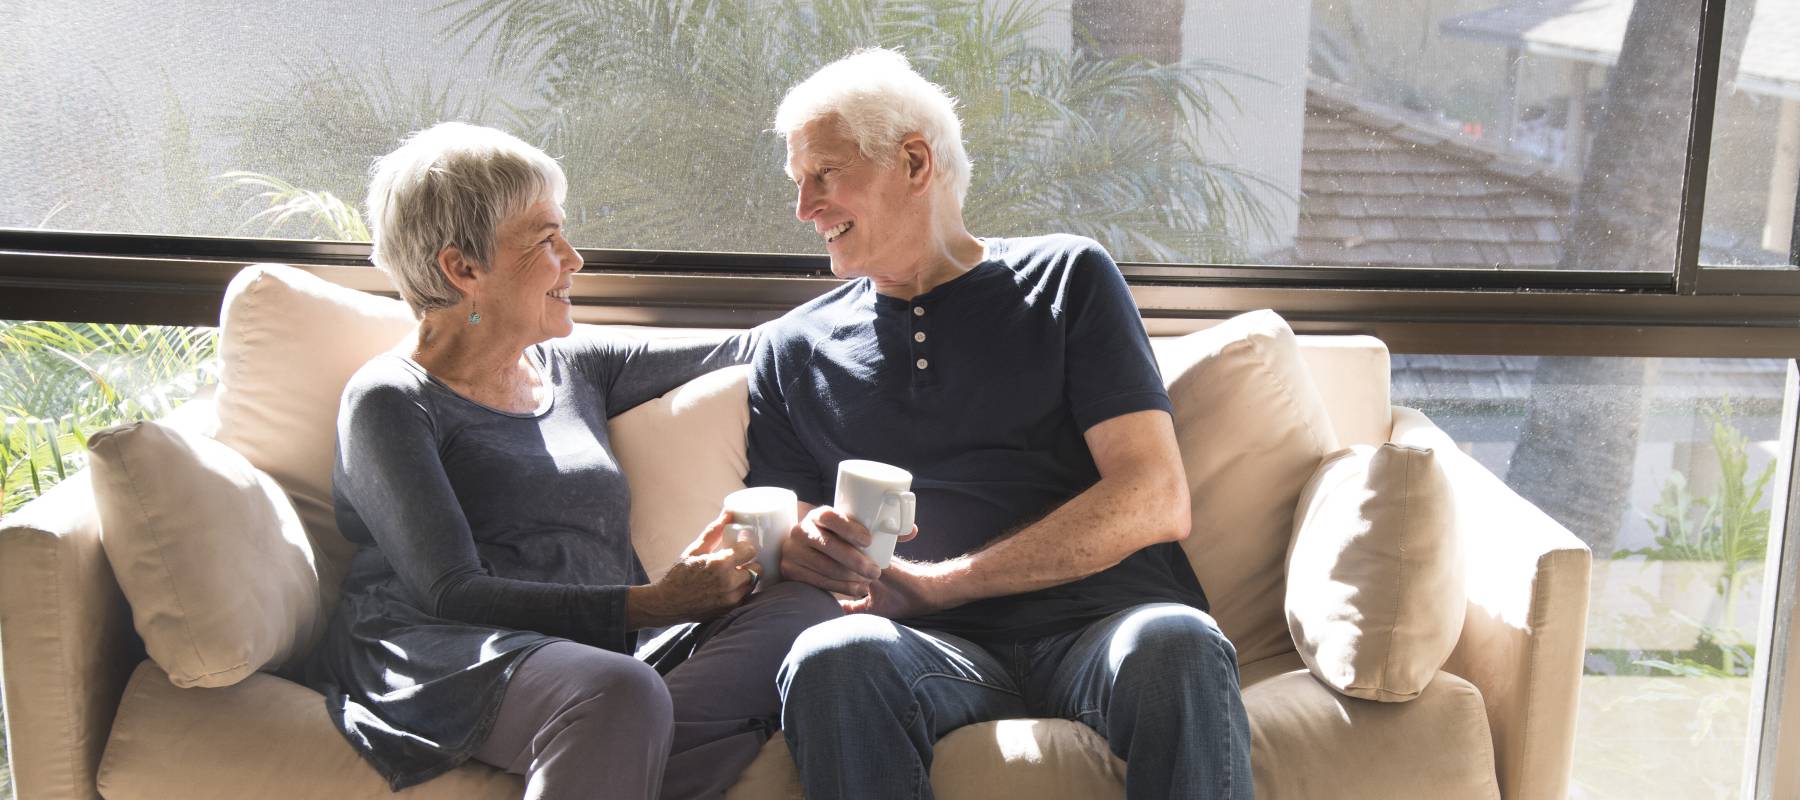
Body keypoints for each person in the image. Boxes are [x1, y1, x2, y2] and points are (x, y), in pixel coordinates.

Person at [748, 50, 1254, 799]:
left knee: (1176, 642)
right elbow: (780, 523)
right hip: (921, 654)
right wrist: (803, 545)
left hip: (1101, 631)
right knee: (832, 654)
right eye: (798, 184)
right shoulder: (791, 348)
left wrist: (940, 584)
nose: (805, 208)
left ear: (914, 161)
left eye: (824, 174)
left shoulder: (1067, 278)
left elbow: (1154, 495)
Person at [302, 122, 839, 800]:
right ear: (463, 269)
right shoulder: (391, 400)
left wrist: (894, 277)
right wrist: (653, 601)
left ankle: (615, 766)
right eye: (546, 239)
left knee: (802, 612)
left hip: (603, 652)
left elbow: (755, 346)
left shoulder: (575, 368)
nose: (574, 259)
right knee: (618, 691)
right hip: (452, 652)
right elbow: (450, 590)